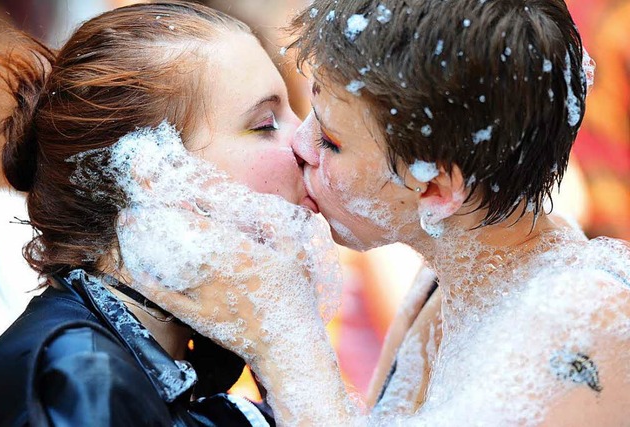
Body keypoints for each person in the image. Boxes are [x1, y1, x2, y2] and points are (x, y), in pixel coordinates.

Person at [145, 0, 630, 425]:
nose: (300, 142)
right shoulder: (447, 287)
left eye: (332, 141)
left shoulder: (587, 322)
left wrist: (284, 342)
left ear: (437, 187)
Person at [0, 2, 345, 425]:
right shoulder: (81, 382)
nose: (307, 143)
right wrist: (292, 352)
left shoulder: (150, 360)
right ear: (152, 175)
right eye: (267, 123)